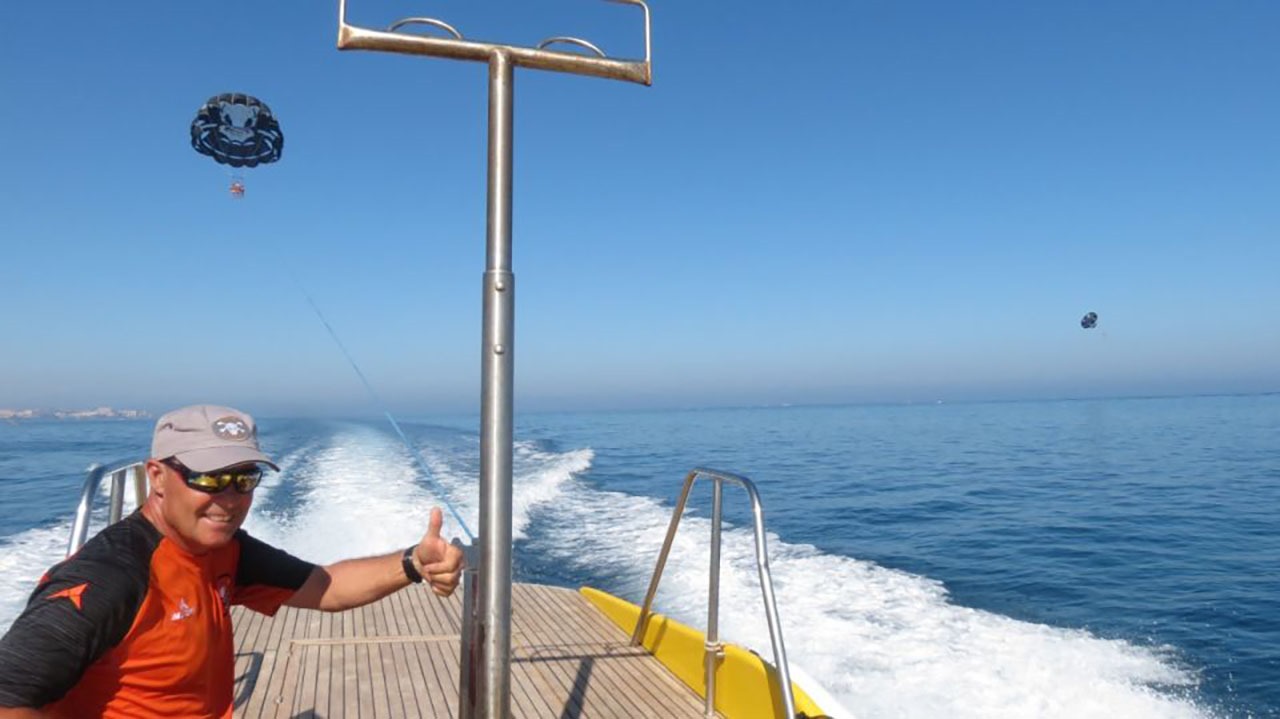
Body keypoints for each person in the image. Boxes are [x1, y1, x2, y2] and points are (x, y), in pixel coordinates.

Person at [0, 404, 465, 718]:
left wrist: (413, 563)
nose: (230, 497)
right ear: (157, 477)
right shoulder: (110, 577)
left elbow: (325, 585)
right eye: (209, 478)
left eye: (245, 478)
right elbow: (10, 694)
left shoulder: (225, 550)